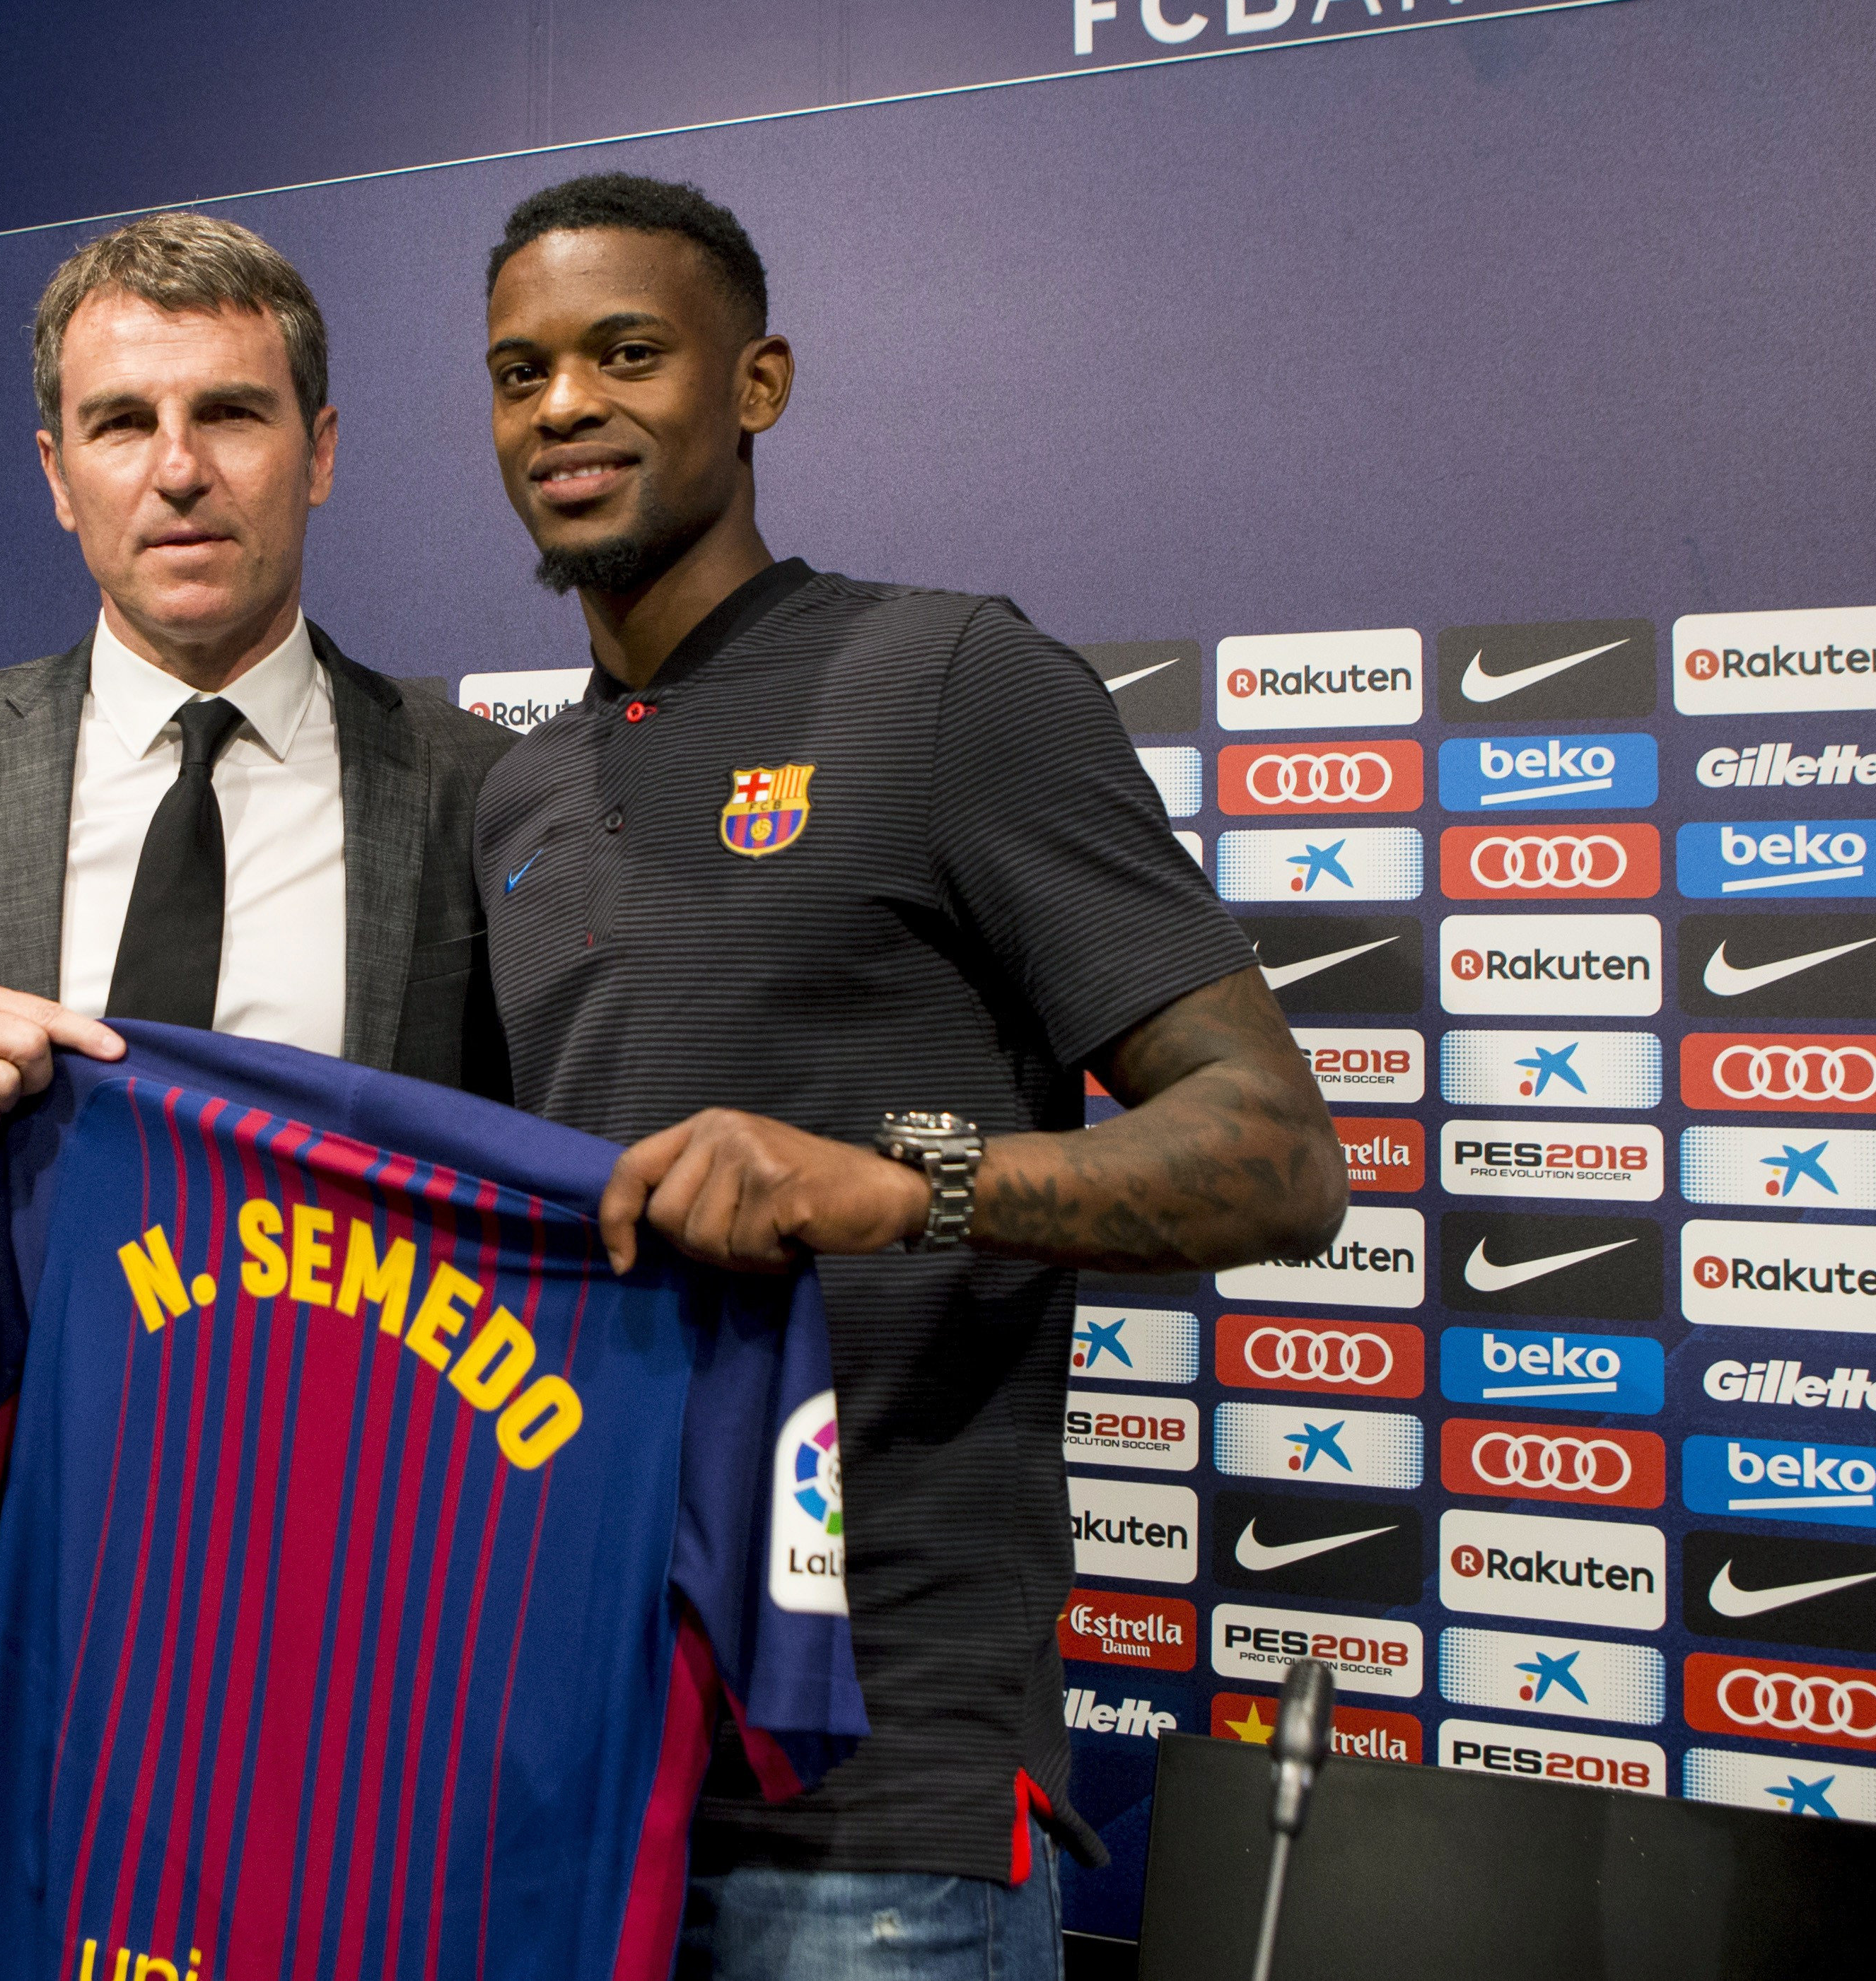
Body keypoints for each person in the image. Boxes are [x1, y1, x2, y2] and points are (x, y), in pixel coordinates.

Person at [470, 173, 1347, 1981]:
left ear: (758, 383)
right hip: (577, 1783)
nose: (565, 406)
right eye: (520, 371)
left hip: (885, 1808)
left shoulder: (952, 680)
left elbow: (1277, 1153)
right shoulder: (517, 795)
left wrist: (904, 1187)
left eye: (626, 353)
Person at [0, 210, 518, 1980]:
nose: (178, 468)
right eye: (121, 422)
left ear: (320, 449)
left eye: (231, 412)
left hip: (327, 1612)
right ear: (56, 472)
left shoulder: (479, 795)